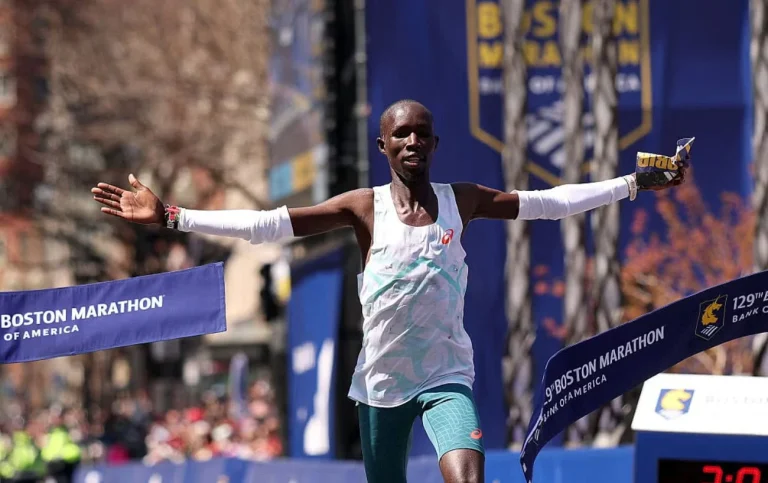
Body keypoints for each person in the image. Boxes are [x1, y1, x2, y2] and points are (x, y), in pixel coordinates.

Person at [90, 99, 685, 483]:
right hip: (380, 385)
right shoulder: (362, 208)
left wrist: (632, 183)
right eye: (401, 134)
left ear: (435, 144)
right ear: (384, 146)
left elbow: (549, 204)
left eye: (423, 134)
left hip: (445, 375)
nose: (413, 142)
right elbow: (269, 225)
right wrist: (173, 216)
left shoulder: (462, 201)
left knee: (468, 478)